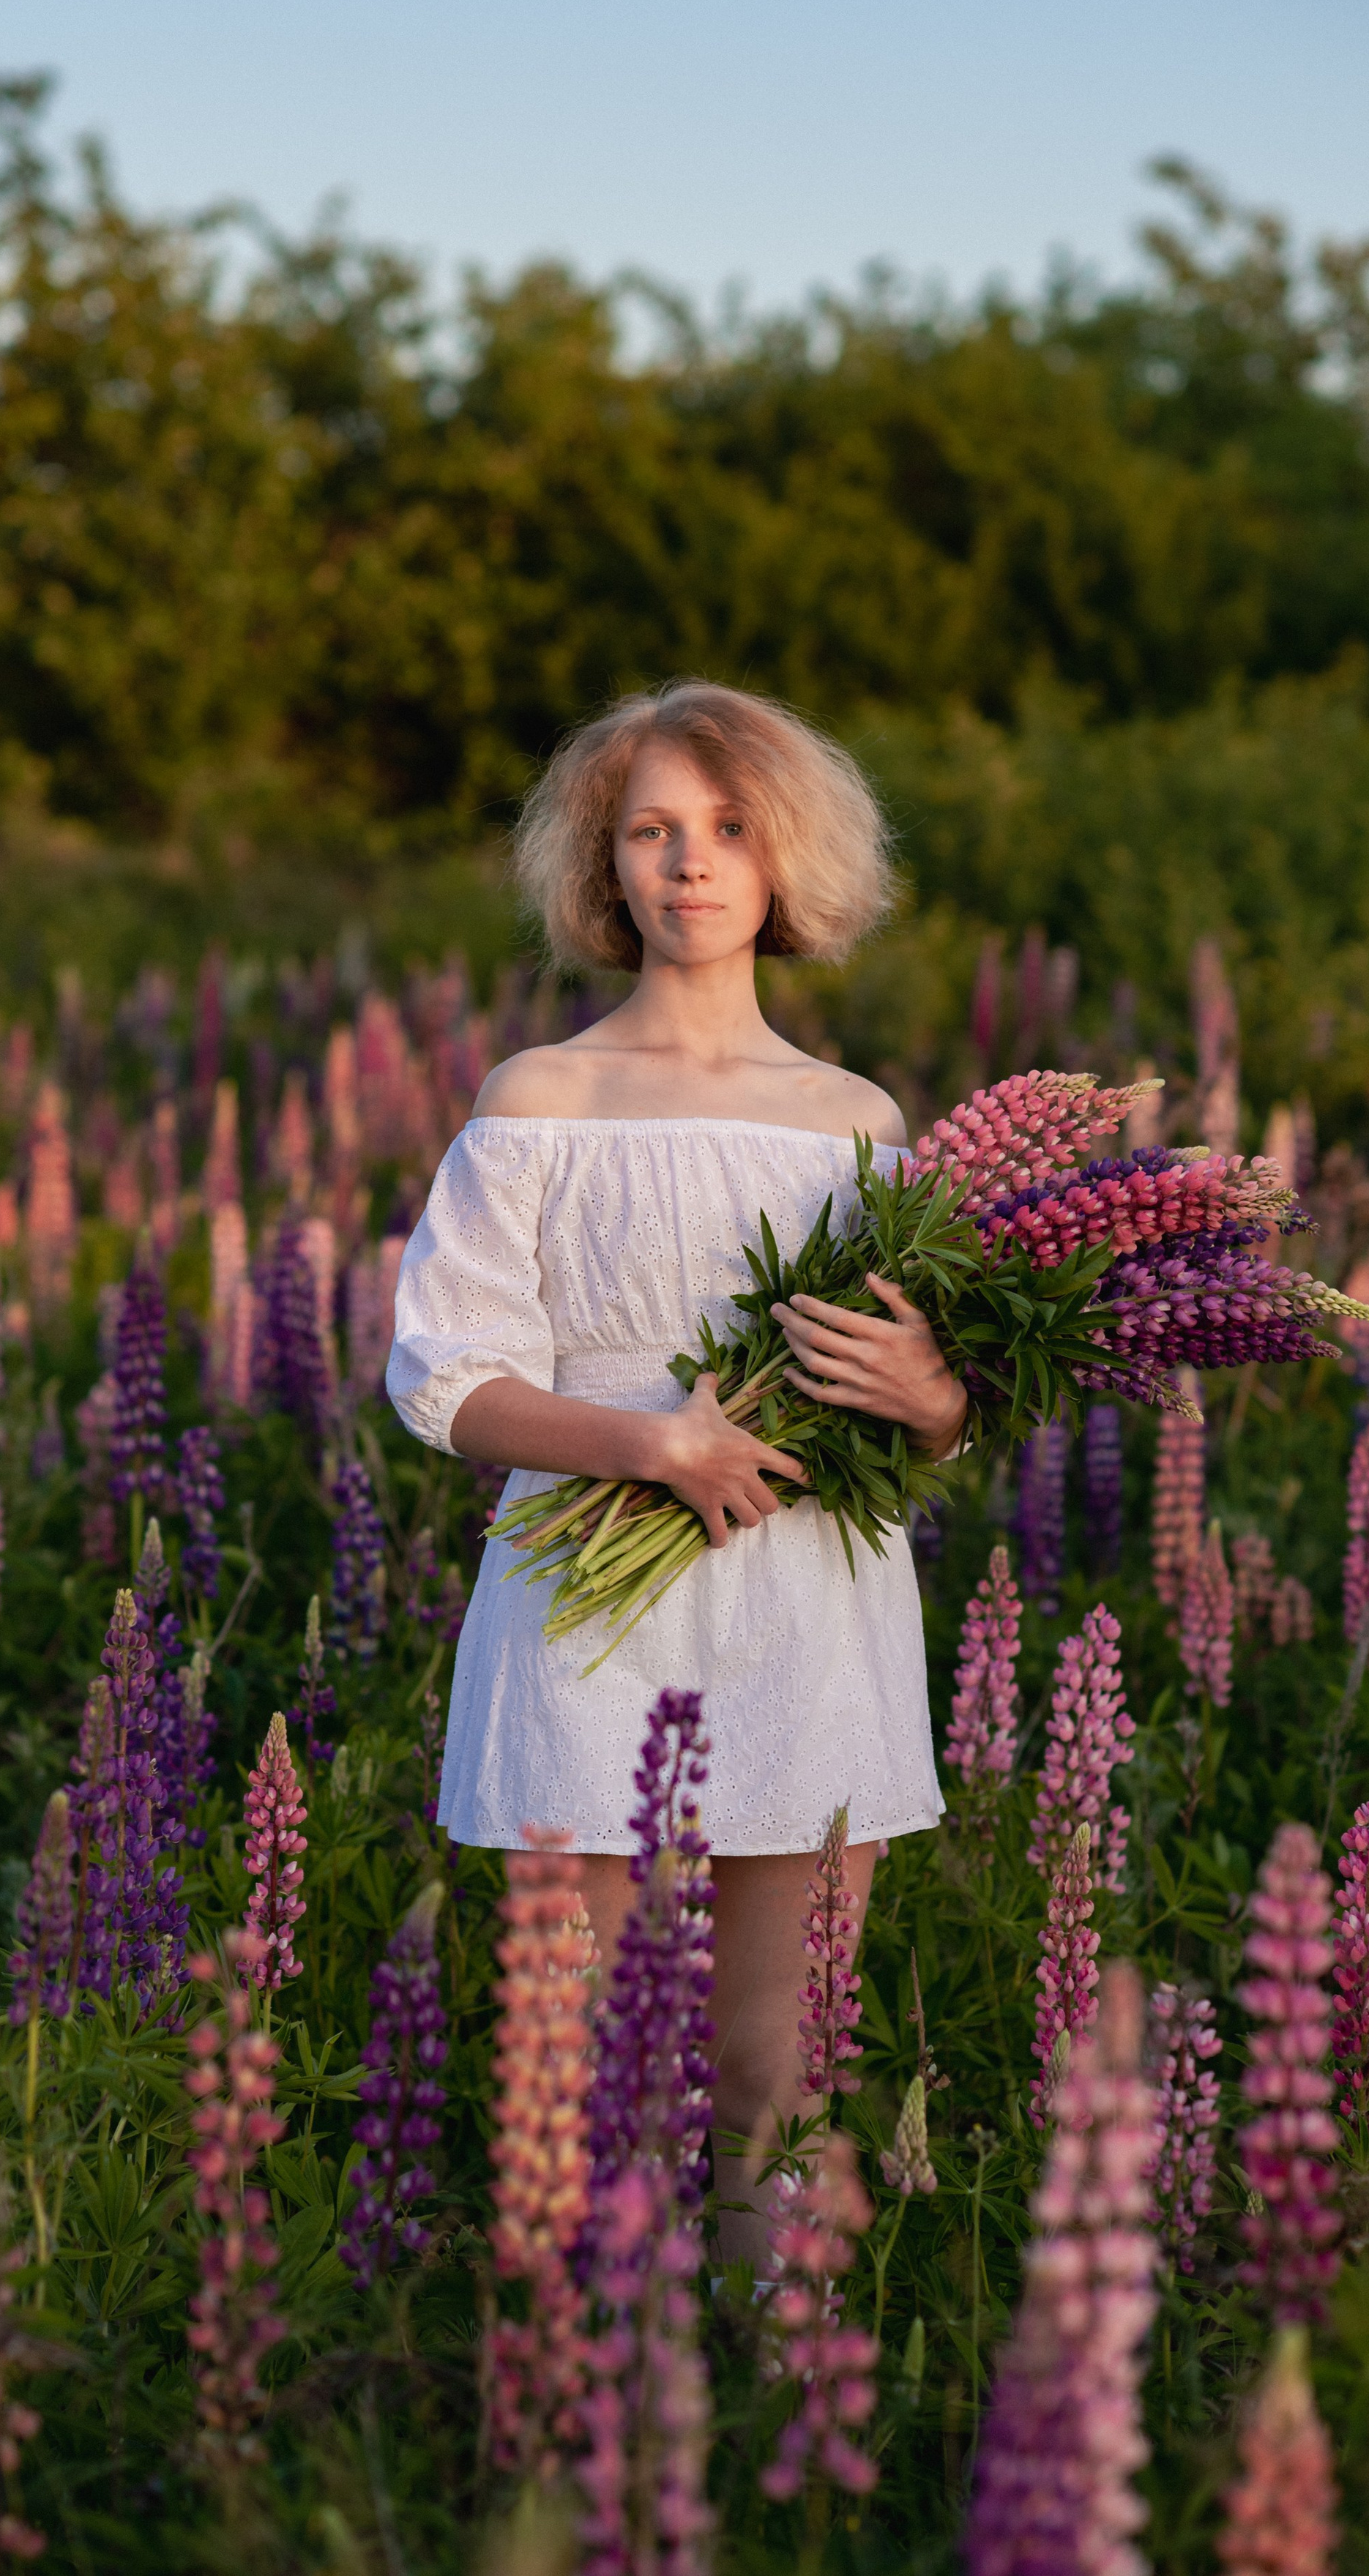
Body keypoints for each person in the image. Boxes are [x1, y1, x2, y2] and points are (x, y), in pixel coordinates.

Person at [387, 681, 967, 2271]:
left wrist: (933, 1399)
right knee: (591, 2083)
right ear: (603, 864)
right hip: (586, 1605)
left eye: (724, 829)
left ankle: (780, 2440)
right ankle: (602, 2422)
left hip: (807, 1601)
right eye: (647, 830)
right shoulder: (538, 1099)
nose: (686, 863)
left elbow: (903, 1408)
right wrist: (649, 1441)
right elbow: (441, 1374)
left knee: (779, 2081)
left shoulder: (856, 1124)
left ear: (785, 862)